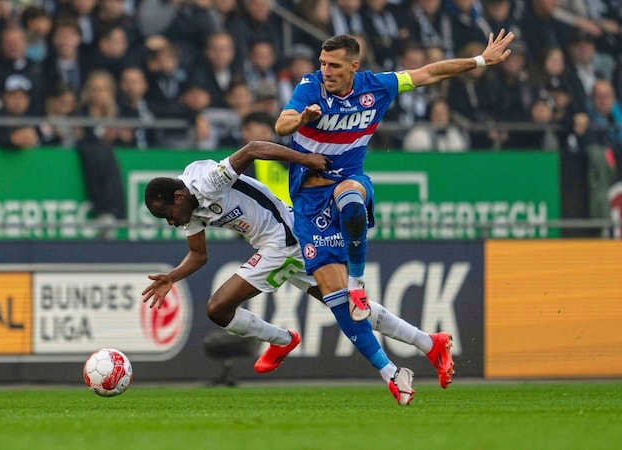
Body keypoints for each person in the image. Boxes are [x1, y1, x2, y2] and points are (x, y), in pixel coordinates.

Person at [274, 31, 514, 396]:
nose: (326, 71)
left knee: (350, 197)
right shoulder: (310, 88)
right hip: (308, 202)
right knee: (333, 299)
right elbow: (282, 125)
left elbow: (430, 73)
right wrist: (304, 117)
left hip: (348, 182)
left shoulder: (379, 87)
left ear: (355, 66)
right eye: (323, 64)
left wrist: (479, 61)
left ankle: (359, 284)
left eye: (335, 65)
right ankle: (395, 371)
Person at [142, 141, 453, 405]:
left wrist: (305, 158)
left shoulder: (209, 181)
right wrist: (173, 276)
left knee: (218, 307)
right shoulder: (188, 212)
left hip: (284, 237)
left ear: (178, 198)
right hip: (274, 244)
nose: (171, 222)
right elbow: (199, 255)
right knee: (346, 305)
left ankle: (282, 340)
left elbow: (252, 149)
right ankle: (430, 343)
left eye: (167, 215)